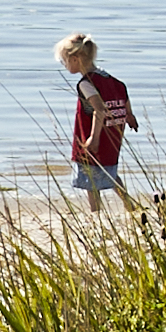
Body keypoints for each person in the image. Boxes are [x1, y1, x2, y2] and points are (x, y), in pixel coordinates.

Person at [57, 33, 136, 210]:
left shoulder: (86, 83)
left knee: (90, 178)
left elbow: (99, 109)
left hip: (96, 136)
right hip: (113, 133)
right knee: (110, 171)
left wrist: (94, 137)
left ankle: (96, 212)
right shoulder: (108, 78)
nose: (65, 65)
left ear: (75, 59)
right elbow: (122, 89)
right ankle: (129, 204)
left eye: (65, 61)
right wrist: (129, 115)